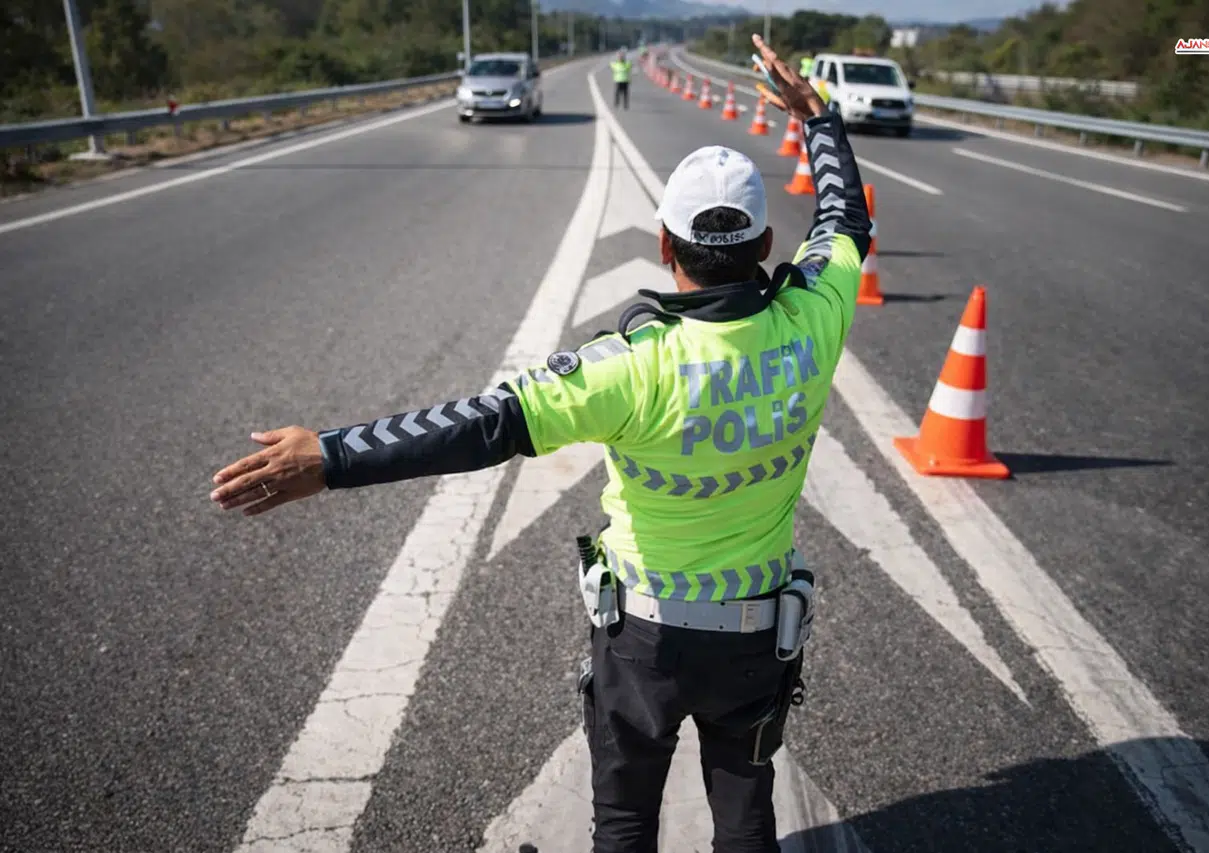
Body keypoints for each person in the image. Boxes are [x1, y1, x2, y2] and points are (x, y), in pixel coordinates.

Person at [209, 33, 871, 853]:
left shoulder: (631, 366)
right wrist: (817, 118)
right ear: (767, 248)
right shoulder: (815, 316)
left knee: (624, 820)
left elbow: (481, 425)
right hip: (756, 634)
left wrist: (331, 456)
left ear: (665, 248)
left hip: (646, 639)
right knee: (745, 813)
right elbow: (845, 218)